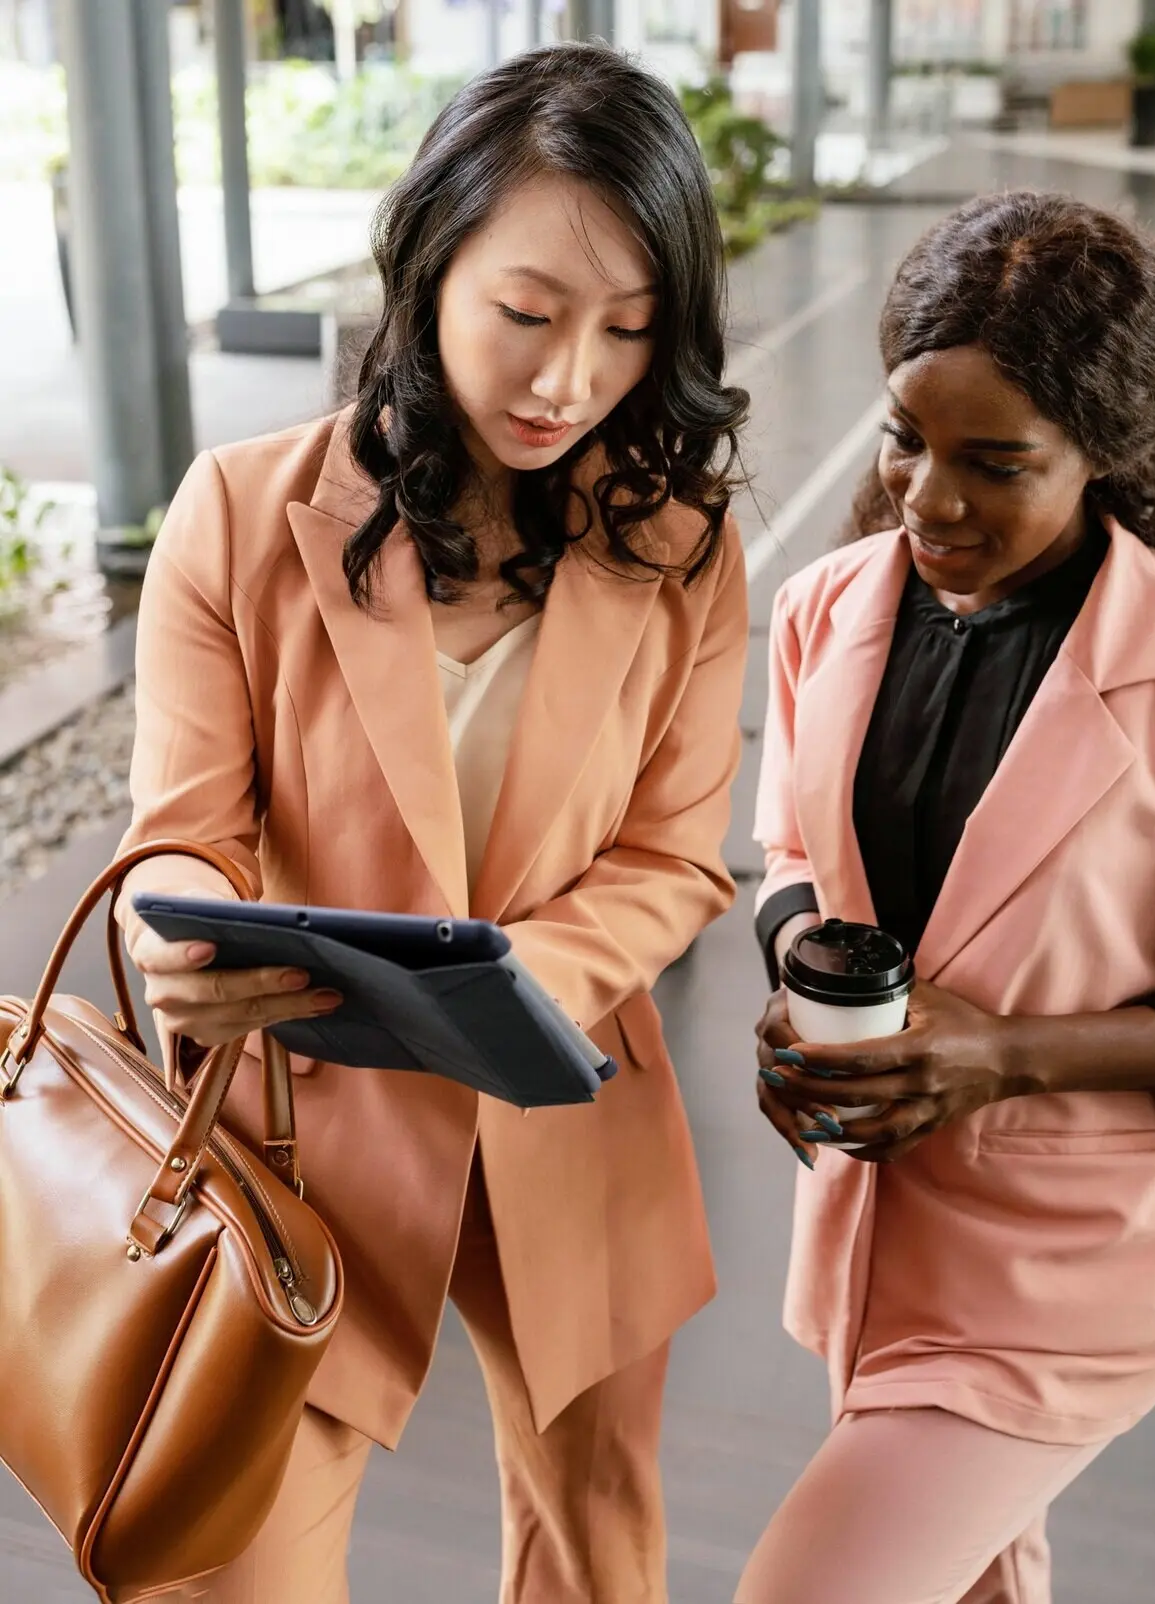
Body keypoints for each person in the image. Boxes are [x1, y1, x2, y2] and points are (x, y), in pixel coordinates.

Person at [115, 43, 748, 1604]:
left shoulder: (681, 547)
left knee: (597, 1564)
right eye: (527, 313)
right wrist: (178, 936)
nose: (565, 378)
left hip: (568, 1110)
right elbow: (182, 837)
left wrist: (504, 972)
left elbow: (675, 855)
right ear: (427, 261)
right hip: (298, 1136)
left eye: (628, 330)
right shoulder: (242, 516)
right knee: (237, 1569)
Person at [742, 191, 1155, 1604]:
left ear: (1107, 455)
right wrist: (802, 992)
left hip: (1067, 1264)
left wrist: (997, 1052)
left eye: (996, 463)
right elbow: (789, 862)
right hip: (873, 1219)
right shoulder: (825, 607)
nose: (930, 497)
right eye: (907, 437)